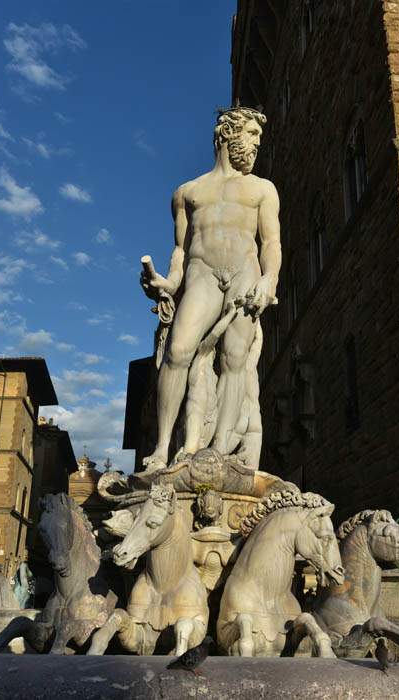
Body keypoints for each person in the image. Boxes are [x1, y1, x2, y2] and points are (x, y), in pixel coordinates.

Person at [141, 106, 281, 470]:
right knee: (179, 351)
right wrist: (168, 284)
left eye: (258, 138)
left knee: (234, 360)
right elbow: (181, 251)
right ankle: (162, 447)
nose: (256, 144)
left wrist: (269, 279)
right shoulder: (188, 192)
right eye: (251, 134)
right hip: (202, 275)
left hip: (244, 274)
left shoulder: (263, 189)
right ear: (227, 134)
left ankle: (217, 451)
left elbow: (271, 243)